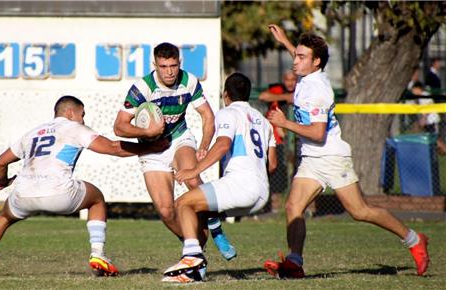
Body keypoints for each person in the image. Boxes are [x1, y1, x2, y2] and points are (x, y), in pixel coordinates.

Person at [263, 24, 430, 279]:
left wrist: (284, 123)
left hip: (331, 157)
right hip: (312, 159)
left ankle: (414, 239)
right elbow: (302, 60)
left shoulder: (317, 90)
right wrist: (286, 41)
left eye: (300, 57)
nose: (295, 61)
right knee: (293, 207)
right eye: (295, 55)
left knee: (359, 211)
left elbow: (318, 133)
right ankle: (295, 263)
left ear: (316, 62)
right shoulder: (308, 74)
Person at [0, 95, 167, 277]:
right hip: (58, 193)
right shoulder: (74, 128)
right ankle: (97, 253)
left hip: (23, 194)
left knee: (3, 218)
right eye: (82, 114)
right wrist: (151, 147)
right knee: (97, 199)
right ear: (70, 113)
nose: (83, 119)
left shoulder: (33, 132)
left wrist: (3, 182)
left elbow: (0, 162)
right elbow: (113, 148)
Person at [113, 42, 236, 260]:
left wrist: (204, 146)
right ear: (155, 65)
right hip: (152, 150)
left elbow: (207, 115)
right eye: (163, 66)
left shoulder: (188, 80)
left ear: (179, 63)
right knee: (166, 211)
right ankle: (194, 247)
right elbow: (119, 126)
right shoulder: (143, 88)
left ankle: (216, 229)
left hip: (180, 139)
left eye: (173, 65)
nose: (169, 71)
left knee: (192, 180)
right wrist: (146, 130)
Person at [161, 72, 277, 283]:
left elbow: (222, 145)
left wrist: (193, 171)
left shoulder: (227, 113)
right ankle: (201, 261)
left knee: (183, 204)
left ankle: (192, 259)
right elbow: (273, 164)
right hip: (262, 192)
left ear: (226, 95)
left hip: (241, 185)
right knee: (199, 209)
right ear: (249, 95)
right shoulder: (263, 121)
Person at [259, 70, 297, 211]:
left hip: (296, 140)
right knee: (276, 175)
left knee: (300, 174)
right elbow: (264, 96)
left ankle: (307, 208)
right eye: (288, 80)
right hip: (278, 141)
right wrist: (287, 97)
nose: (291, 83)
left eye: (293, 79)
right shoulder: (277, 89)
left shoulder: (303, 88)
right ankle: (275, 208)